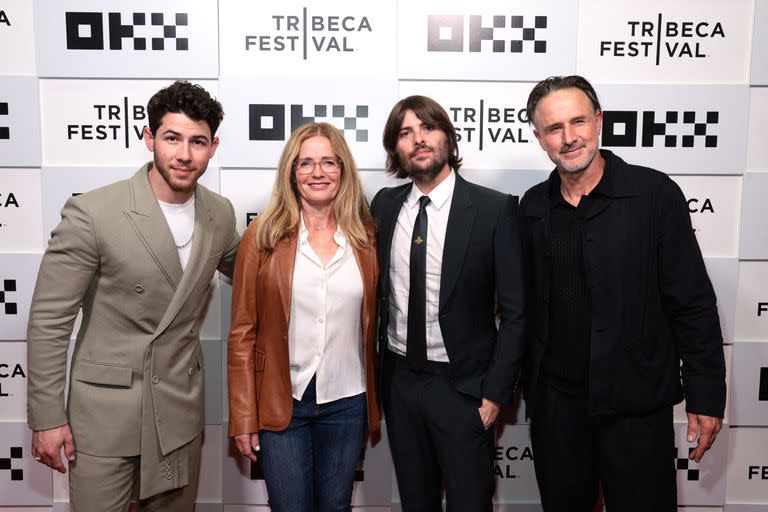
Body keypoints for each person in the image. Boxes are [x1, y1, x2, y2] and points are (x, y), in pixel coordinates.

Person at [26, 81, 239, 511]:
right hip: (105, 416)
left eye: (197, 142)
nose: (184, 154)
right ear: (149, 139)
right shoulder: (94, 212)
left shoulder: (219, 214)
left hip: (177, 412)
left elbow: (258, 271)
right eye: (172, 138)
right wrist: (48, 418)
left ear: (213, 147)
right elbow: (50, 321)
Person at [520, 75, 726, 511]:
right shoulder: (532, 207)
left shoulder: (654, 195)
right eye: (554, 128)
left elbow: (692, 303)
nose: (569, 137)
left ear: (598, 121)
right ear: (539, 139)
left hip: (636, 408)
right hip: (558, 411)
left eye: (578, 121)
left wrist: (705, 395)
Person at [370, 95, 525, 511]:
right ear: (396, 150)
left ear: (448, 138)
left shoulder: (494, 210)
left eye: (427, 128)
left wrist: (495, 393)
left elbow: (516, 313)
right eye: (405, 133)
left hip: (463, 388)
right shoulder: (384, 206)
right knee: (415, 502)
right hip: (400, 381)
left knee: (470, 503)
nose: (418, 139)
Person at [227, 122, 380, 512]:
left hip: (348, 399)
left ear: (343, 170)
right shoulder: (261, 237)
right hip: (281, 400)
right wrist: (243, 416)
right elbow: (242, 332)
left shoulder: (365, 237)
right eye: (306, 163)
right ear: (291, 173)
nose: (318, 173)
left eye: (329, 162)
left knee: (336, 507)